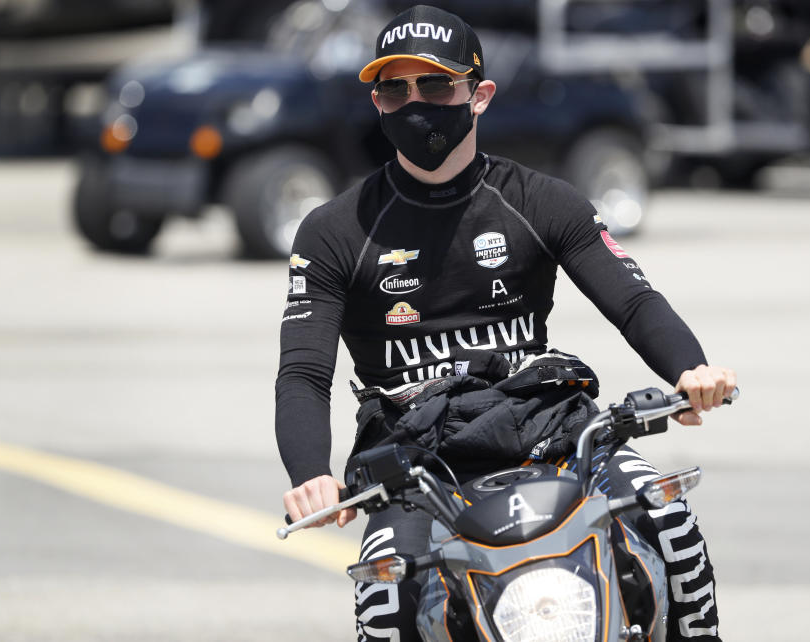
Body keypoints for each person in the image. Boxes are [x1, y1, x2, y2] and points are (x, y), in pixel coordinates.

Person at [276, 5, 736, 641]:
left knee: (669, 519)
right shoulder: (332, 231)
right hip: (416, 467)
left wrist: (691, 368)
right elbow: (303, 372)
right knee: (384, 593)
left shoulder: (541, 200)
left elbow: (632, 299)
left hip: (553, 438)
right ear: (376, 102)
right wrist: (310, 477)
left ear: (479, 94)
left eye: (436, 85)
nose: (415, 102)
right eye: (393, 88)